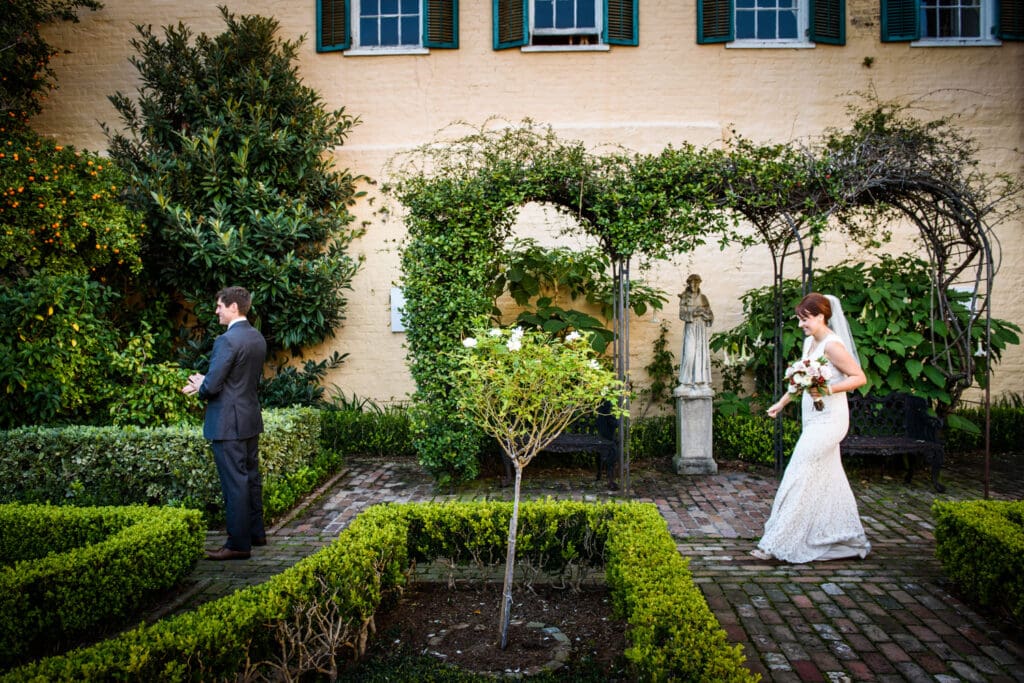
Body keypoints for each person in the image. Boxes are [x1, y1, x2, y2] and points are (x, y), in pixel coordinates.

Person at [752, 293, 871, 563]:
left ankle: (776, 542)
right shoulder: (809, 343)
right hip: (813, 418)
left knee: (798, 471)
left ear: (821, 316)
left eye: (805, 319)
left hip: (831, 420)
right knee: (830, 478)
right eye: (800, 319)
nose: (802, 324)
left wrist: (825, 388)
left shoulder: (832, 345)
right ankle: (847, 538)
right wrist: (781, 403)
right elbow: (800, 380)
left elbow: (859, 378)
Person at [182, 286, 267, 561]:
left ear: (233, 307)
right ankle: (256, 534)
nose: (216, 310)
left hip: (228, 422)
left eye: (219, 305)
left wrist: (201, 386)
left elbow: (216, 383)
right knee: (250, 479)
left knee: (235, 483)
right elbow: (238, 378)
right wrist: (207, 382)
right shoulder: (257, 338)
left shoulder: (227, 341)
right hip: (249, 418)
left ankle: (238, 545)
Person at [678, 274, 714, 388]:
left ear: (699, 283)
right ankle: (685, 383)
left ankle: (700, 382)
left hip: (701, 328)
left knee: (700, 354)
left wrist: (705, 314)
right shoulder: (684, 297)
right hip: (691, 327)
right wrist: (694, 313)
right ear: (688, 283)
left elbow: (710, 315)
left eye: (696, 282)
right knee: (689, 354)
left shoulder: (703, 298)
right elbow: (682, 315)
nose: (694, 285)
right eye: (692, 282)